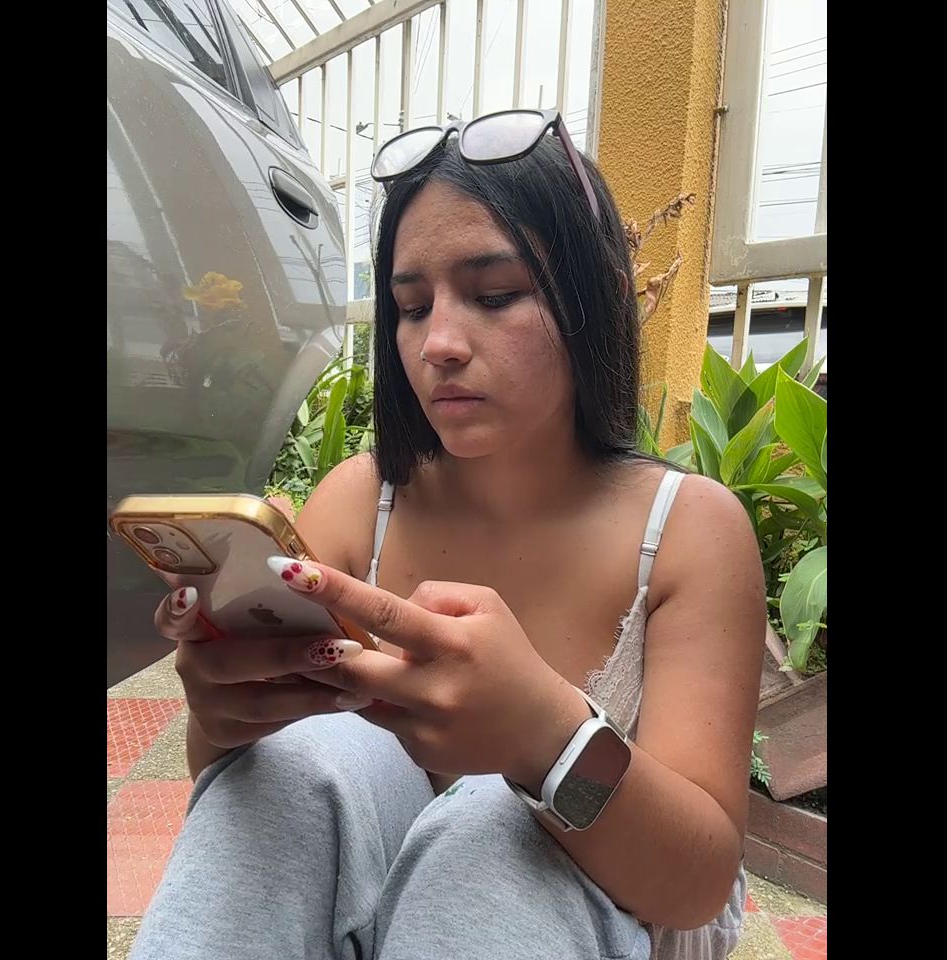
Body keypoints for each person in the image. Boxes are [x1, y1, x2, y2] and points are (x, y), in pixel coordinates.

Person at [131, 109, 766, 960]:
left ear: (602, 297)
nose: (437, 343)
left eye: (495, 295)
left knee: (494, 829)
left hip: (592, 916)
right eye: (410, 306)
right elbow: (261, 813)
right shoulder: (360, 503)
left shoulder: (688, 531)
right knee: (304, 761)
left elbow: (695, 884)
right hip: (363, 901)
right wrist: (223, 715)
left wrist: (545, 738)